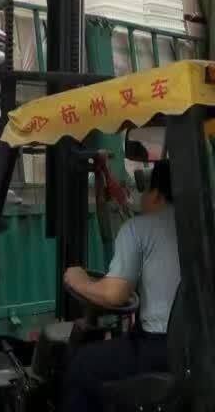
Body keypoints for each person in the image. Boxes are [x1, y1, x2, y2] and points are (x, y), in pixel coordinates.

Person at [63, 159, 180, 412]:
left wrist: (78, 280)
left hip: (161, 348)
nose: (142, 198)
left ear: (157, 193)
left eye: (146, 191)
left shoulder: (139, 229)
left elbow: (114, 295)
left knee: (82, 364)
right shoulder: (205, 225)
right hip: (202, 345)